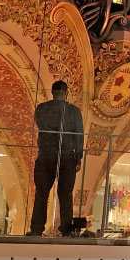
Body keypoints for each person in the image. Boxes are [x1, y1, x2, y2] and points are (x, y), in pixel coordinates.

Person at [28, 80, 84, 237]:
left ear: (52, 92)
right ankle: (66, 230)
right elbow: (79, 135)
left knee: (42, 194)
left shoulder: (42, 108)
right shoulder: (73, 111)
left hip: (46, 155)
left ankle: (37, 229)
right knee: (65, 195)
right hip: (67, 157)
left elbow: (41, 126)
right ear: (66, 94)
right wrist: (78, 157)